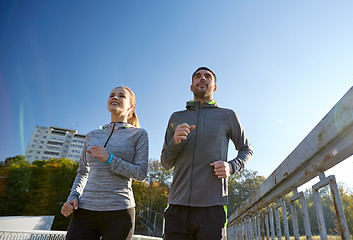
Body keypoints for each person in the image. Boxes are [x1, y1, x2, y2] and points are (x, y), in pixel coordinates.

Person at [161, 67, 253, 240]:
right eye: (197, 76)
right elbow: (166, 163)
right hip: (177, 207)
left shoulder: (228, 115)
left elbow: (246, 149)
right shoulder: (176, 117)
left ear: (215, 87)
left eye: (207, 76)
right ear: (191, 86)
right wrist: (175, 142)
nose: (202, 78)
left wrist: (231, 166)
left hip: (213, 207)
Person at [61, 86, 148, 240]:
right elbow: (82, 172)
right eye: (112, 95)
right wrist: (73, 196)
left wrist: (109, 158)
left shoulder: (139, 134)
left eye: (121, 96)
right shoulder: (92, 135)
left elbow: (140, 173)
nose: (115, 97)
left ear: (131, 107)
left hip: (120, 212)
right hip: (85, 211)